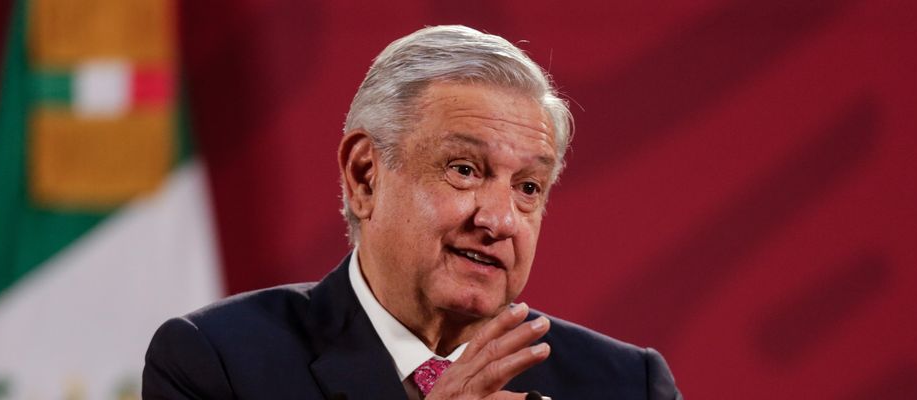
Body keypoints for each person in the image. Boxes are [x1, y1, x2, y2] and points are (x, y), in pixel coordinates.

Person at [142, 25, 682, 399]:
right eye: (465, 170)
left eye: (528, 186)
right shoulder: (219, 364)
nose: (499, 220)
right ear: (365, 175)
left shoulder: (625, 385)